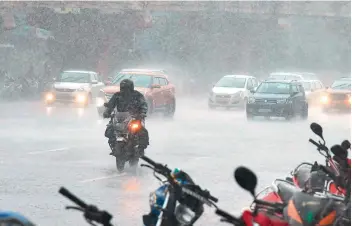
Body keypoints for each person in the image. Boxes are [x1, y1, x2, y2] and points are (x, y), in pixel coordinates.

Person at [103, 79, 149, 155]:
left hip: (134, 118)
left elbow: (143, 104)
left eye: (127, 88)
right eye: (123, 88)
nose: (125, 90)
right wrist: (107, 112)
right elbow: (111, 105)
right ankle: (113, 145)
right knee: (110, 130)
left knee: (142, 131)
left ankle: (141, 149)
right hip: (120, 118)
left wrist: (142, 113)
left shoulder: (137, 95)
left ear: (131, 87)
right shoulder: (117, 95)